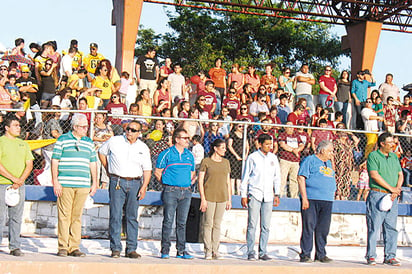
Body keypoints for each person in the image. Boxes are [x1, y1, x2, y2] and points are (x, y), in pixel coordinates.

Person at [98, 120, 152, 259]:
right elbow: (101, 152)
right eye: (128, 129)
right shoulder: (115, 141)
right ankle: (115, 248)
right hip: (117, 181)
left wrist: (144, 186)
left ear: (139, 133)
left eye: (133, 130)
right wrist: (108, 170)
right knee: (115, 215)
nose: (129, 132)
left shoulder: (143, 147)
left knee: (132, 216)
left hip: (135, 182)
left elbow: (147, 169)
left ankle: (131, 248)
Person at [51, 113, 98, 257]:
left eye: (86, 126)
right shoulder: (63, 140)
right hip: (65, 183)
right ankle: (63, 246)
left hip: (83, 184)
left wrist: (94, 182)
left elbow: (93, 163)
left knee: (76, 216)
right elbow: (55, 161)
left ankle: (74, 246)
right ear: (75, 127)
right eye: (83, 127)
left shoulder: (89, 142)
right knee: (64, 215)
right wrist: (56, 181)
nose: (86, 129)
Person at [155, 128, 195, 259]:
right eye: (185, 138)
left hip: (186, 191)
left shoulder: (189, 155)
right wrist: (167, 183)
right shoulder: (166, 154)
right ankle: (165, 250)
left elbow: (192, 172)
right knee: (168, 220)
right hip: (171, 190)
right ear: (177, 139)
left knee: (182, 222)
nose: (187, 141)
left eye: (188, 138)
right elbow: (158, 171)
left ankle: (181, 250)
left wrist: (187, 183)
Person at [240, 134, 281, 261]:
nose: (269, 146)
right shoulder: (253, 158)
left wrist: (277, 193)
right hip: (255, 193)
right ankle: (250, 251)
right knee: (252, 224)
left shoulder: (273, 158)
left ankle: (263, 251)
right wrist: (243, 194)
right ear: (260, 144)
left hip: (268, 195)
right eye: (267, 144)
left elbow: (277, 177)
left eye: (271, 144)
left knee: (266, 226)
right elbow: (246, 176)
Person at [366, 132, 403, 266]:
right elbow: (374, 175)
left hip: (392, 196)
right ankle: (371, 256)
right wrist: (390, 188)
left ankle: (390, 255)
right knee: (374, 226)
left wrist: (396, 189)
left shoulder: (394, 157)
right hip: (378, 194)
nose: (393, 145)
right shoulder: (373, 156)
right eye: (390, 143)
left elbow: (400, 174)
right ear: (382, 144)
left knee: (391, 227)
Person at [0, 116, 34, 256]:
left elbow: (29, 164)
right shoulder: (1, 142)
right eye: (15, 125)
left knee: (16, 217)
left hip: (19, 186)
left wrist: (20, 180)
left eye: (19, 125)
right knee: (1, 216)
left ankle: (15, 246)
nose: (18, 128)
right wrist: (13, 179)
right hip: (3, 184)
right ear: (7, 128)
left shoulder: (23, 144)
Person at [298, 140, 335, 263]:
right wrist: (304, 198)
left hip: (327, 199)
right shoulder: (310, 160)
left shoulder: (329, 163)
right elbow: (301, 178)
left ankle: (321, 254)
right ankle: (306, 254)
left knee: (323, 228)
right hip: (312, 198)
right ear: (323, 150)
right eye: (330, 151)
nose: (332, 153)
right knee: (309, 226)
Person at [198, 139, 231, 260]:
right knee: (208, 223)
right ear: (216, 148)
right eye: (222, 148)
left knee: (217, 224)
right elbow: (200, 180)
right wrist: (203, 198)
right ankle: (208, 250)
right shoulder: (206, 162)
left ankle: (215, 250)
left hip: (222, 197)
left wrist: (229, 199)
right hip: (209, 196)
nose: (225, 150)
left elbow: (228, 181)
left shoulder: (226, 162)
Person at [278, 122, 304, 198]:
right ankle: (279, 194)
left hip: (295, 161)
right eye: (289, 127)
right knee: (282, 178)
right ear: (285, 128)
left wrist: (297, 149)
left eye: (292, 127)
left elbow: (301, 145)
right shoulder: (282, 135)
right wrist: (294, 150)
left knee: (294, 180)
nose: (291, 128)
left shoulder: (296, 135)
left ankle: (294, 196)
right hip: (285, 160)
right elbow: (283, 145)